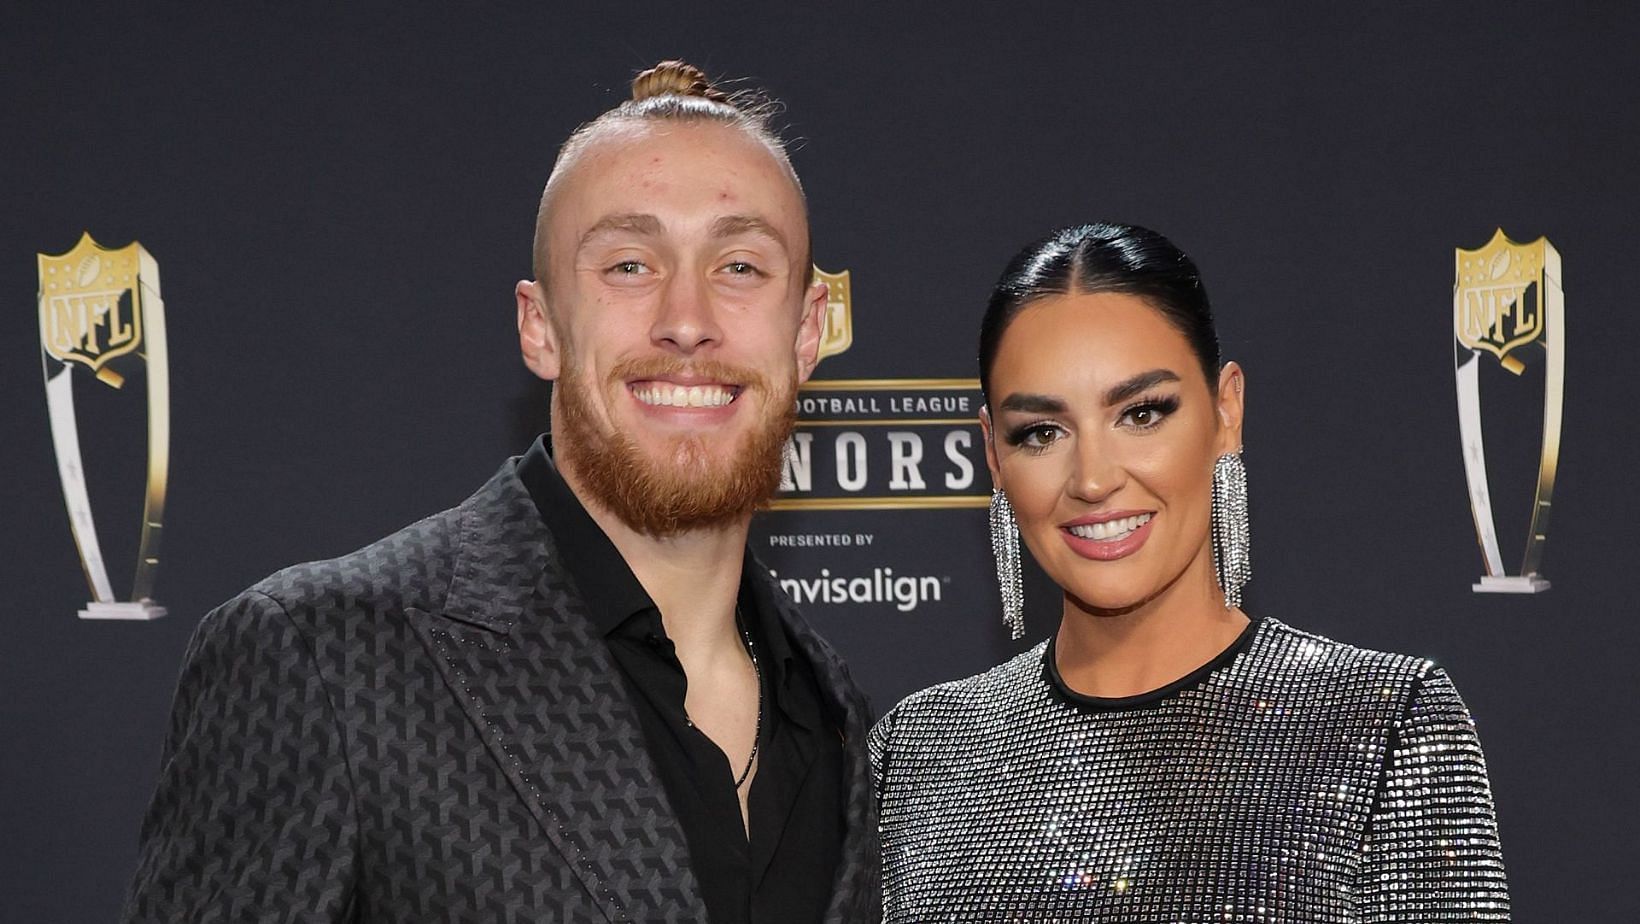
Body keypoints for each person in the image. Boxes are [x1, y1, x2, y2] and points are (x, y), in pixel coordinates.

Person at [122, 61, 880, 924]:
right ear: (540, 326)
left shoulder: (841, 717)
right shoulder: (322, 658)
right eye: (630, 264)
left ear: (810, 330)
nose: (688, 316)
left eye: (741, 266)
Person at [869, 222, 1509, 921]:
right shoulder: (919, 751)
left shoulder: (1386, 724)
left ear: (1225, 410)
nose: (1092, 479)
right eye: (1041, 433)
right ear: (993, 454)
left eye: (1141, 413)